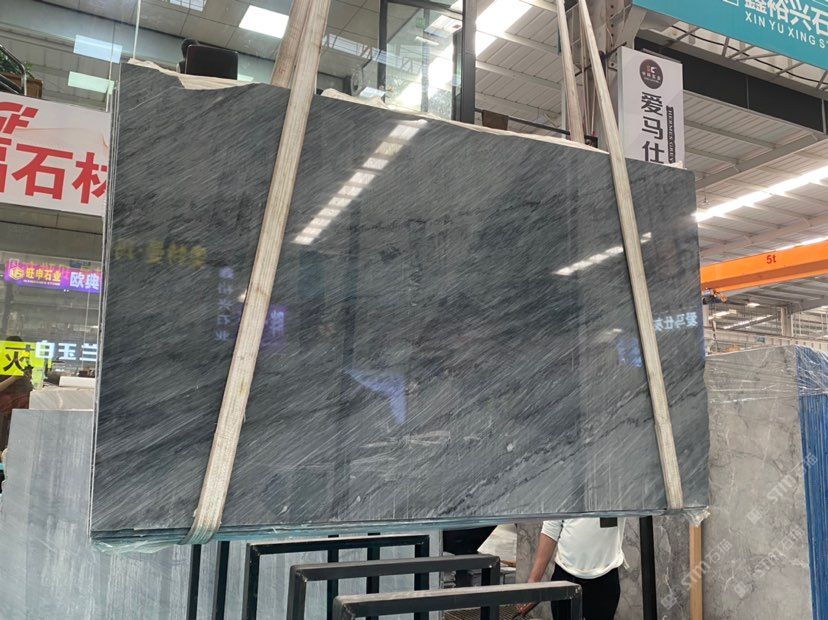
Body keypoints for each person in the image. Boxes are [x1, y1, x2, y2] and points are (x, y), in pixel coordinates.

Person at [518, 518, 625, 620]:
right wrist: (533, 581)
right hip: (565, 576)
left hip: (605, 579)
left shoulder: (616, 503)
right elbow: (551, 528)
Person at [0, 337, 34, 451]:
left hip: (21, 406)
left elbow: (28, 385)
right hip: (8, 404)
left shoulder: (22, 364)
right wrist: (13, 378)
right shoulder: (2, 363)